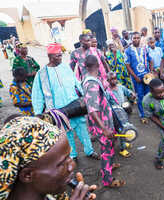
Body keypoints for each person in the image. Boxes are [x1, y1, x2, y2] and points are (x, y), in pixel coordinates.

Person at [0, 116, 97, 200]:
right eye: (62, 163)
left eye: (69, 156)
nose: (72, 165)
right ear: (27, 175)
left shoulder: (49, 193)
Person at [32, 43, 100, 161]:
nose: (60, 58)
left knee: (82, 128)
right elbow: (37, 95)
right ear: (50, 56)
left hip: (74, 104)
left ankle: (89, 151)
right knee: (66, 134)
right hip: (57, 111)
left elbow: (76, 82)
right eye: (57, 56)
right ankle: (72, 155)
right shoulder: (41, 74)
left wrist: (85, 96)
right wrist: (38, 112)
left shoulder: (65, 67)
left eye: (60, 55)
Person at [82, 55, 126, 188]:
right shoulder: (92, 84)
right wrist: (104, 129)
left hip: (106, 121)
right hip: (102, 124)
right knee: (106, 150)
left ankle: (111, 165)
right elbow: (92, 110)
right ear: (98, 65)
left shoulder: (92, 79)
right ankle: (107, 179)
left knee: (110, 144)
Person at [125, 31, 154, 124]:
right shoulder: (128, 51)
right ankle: (143, 115)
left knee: (149, 95)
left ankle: (150, 113)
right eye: (134, 38)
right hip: (136, 78)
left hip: (147, 77)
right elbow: (128, 66)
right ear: (131, 39)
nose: (136, 39)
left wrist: (151, 72)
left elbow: (151, 60)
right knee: (140, 97)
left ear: (140, 38)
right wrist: (135, 77)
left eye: (138, 38)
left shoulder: (145, 48)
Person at [106, 71, 136, 158]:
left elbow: (128, 92)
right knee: (122, 129)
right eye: (111, 79)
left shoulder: (120, 87)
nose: (114, 81)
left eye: (115, 78)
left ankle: (124, 142)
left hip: (125, 112)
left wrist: (132, 94)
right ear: (108, 81)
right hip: (116, 115)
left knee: (126, 127)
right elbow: (107, 104)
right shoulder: (107, 92)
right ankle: (122, 149)